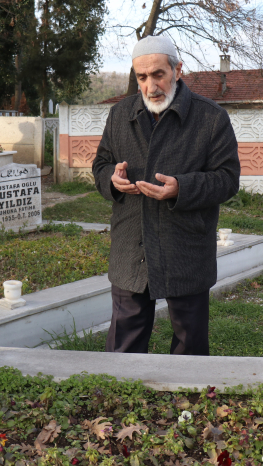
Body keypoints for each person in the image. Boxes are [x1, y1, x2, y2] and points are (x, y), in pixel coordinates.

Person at [92, 36, 240, 356]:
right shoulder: (120, 115)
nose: (150, 86)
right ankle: (124, 402)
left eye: (158, 74)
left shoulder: (211, 118)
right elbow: (101, 165)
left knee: (190, 344)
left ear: (178, 70)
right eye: (142, 77)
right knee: (124, 344)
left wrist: (181, 188)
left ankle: (187, 405)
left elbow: (228, 180)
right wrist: (112, 180)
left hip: (185, 249)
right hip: (132, 248)